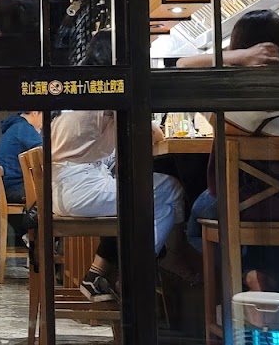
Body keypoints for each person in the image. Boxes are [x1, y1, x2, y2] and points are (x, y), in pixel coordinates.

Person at [180, 7, 279, 291]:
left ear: (236, 47)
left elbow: (183, 67)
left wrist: (238, 57)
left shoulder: (228, 97)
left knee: (196, 222)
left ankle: (249, 273)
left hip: (247, 204)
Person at [51, 32, 188, 301]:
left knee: (145, 198)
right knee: (168, 190)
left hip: (67, 189)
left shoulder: (83, 89)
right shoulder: (105, 92)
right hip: (81, 190)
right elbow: (153, 134)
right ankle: (144, 268)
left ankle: (110, 272)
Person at [0, 112, 43, 201]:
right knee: (55, 191)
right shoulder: (23, 127)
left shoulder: (13, 127)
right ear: (35, 113)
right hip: (19, 188)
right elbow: (46, 152)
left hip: (7, 188)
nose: (43, 122)